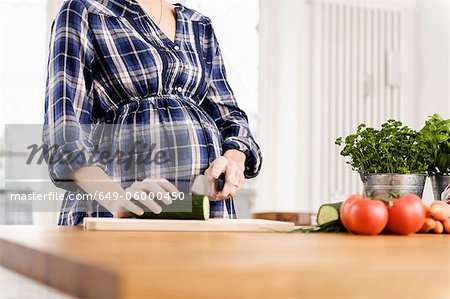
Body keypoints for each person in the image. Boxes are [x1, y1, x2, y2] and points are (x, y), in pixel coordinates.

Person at [43, 0, 262, 225]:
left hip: (207, 209)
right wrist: (117, 199)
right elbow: (64, 134)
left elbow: (230, 118)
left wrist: (233, 159)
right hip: (120, 206)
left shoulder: (199, 25)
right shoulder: (86, 10)